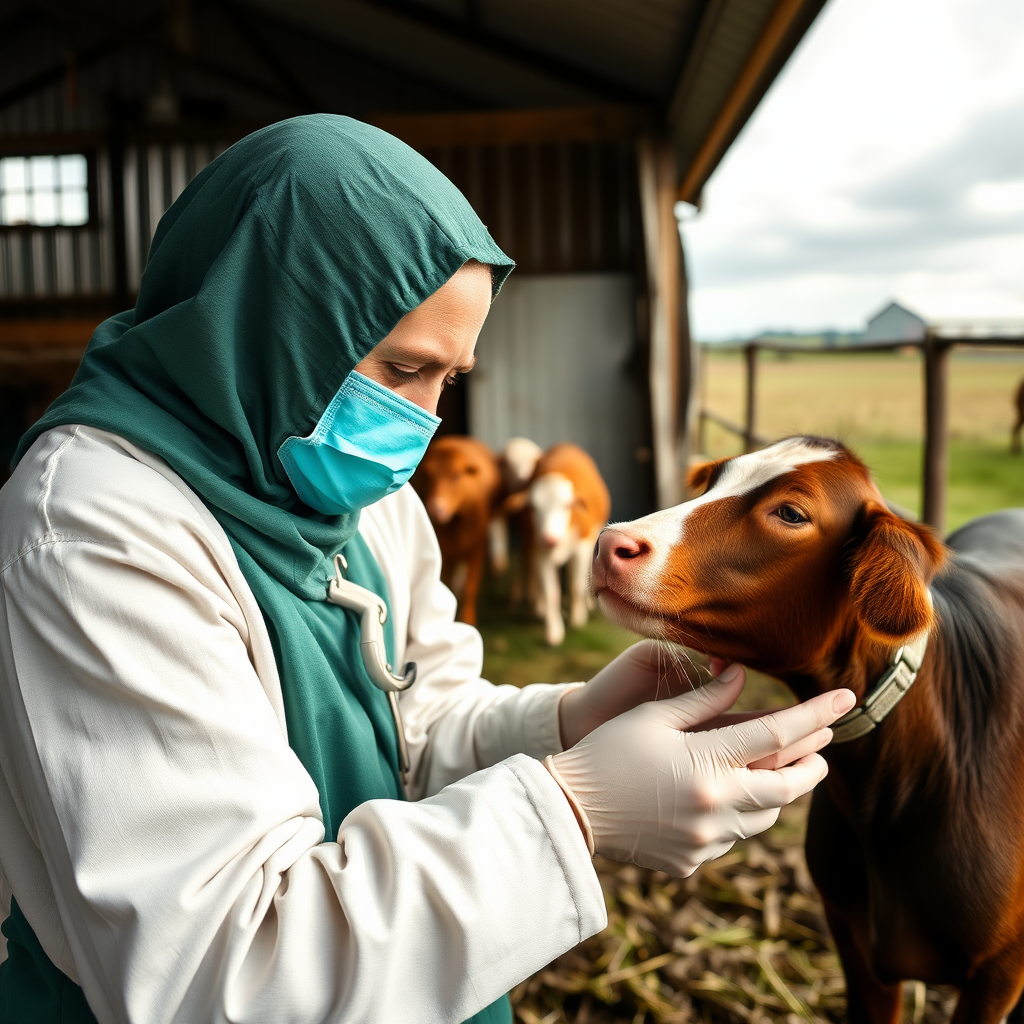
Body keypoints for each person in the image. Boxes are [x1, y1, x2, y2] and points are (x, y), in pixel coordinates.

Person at [0, 115, 854, 1024]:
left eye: (447, 380)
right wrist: (577, 808)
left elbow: (412, 728)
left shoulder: (361, 490)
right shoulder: (93, 527)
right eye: (400, 368)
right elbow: (222, 969)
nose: (420, 424)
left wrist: (566, 721)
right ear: (267, 321)